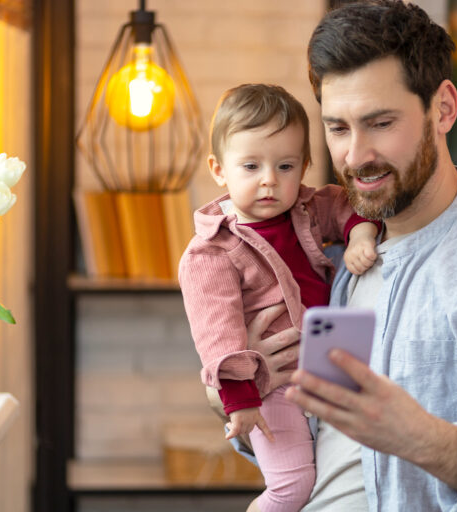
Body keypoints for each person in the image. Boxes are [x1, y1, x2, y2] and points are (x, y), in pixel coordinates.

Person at [240, 1, 457, 510]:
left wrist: (423, 440)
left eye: (380, 122)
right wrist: (247, 397)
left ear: (443, 109)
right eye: (338, 128)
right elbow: (332, 451)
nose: (356, 156)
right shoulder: (340, 254)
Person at [178, 83, 380, 512]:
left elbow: (346, 203)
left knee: (321, 474)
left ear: (304, 166)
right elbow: (219, 335)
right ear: (219, 169)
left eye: (285, 166)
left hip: (322, 375)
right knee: (291, 488)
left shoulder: (305, 209)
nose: (270, 180)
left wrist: (360, 232)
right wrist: (240, 401)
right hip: (268, 389)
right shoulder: (210, 254)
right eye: (250, 166)